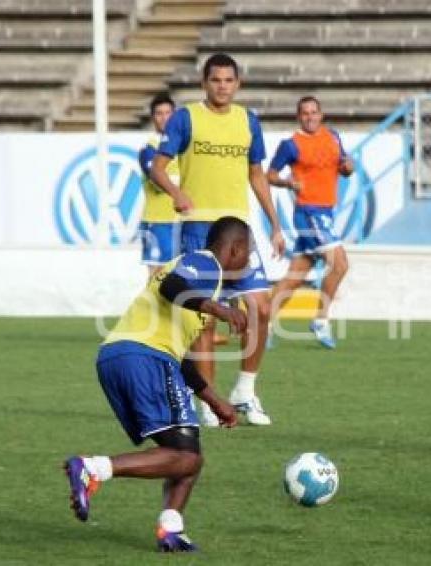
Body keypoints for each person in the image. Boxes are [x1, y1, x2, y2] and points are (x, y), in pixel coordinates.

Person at [64, 216, 253, 552]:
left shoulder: (197, 279)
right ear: (235, 249)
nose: (249, 262)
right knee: (187, 458)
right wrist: (219, 309)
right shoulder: (205, 264)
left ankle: (171, 528)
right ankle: (93, 468)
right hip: (145, 357)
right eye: (249, 253)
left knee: (187, 452)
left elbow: (181, 357)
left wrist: (213, 399)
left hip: (122, 356)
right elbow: (170, 287)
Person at [150, 52, 286, 427]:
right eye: (216, 80)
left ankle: (245, 391)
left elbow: (256, 174)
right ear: (204, 83)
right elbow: (158, 168)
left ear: (237, 83)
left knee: (260, 306)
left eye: (229, 80)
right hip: (199, 229)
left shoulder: (248, 121)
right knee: (204, 320)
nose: (222, 86)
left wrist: (275, 223)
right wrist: (177, 194)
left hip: (238, 230)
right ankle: (209, 403)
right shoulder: (186, 118)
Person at [267, 96, 354, 348]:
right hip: (308, 212)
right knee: (340, 264)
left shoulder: (333, 137)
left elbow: (344, 167)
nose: (310, 117)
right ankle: (321, 319)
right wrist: (287, 183)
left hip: (326, 212)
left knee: (295, 276)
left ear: (321, 114)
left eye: (314, 112)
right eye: (305, 113)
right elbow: (270, 175)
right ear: (298, 116)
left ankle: (264, 323)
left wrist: (349, 167)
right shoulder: (291, 145)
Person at [137, 92, 180, 277]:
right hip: (158, 223)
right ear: (153, 118)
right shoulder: (149, 149)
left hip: (182, 222)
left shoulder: (183, 148)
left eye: (167, 113)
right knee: (157, 278)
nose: (164, 118)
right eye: (159, 113)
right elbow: (157, 180)